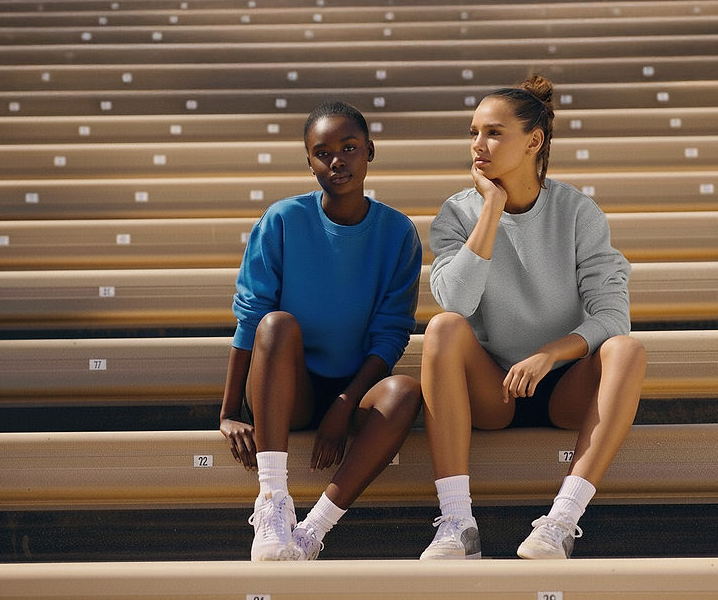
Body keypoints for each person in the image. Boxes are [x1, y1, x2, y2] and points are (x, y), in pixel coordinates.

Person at [418, 75, 646, 560]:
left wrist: (549, 354)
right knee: (442, 328)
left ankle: (560, 522)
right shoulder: (458, 214)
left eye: (494, 133)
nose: (478, 145)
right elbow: (455, 303)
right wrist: (492, 209)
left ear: (534, 141)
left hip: (565, 388)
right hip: (492, 391)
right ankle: (458, 524)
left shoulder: (578, 212)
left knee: (627, 349)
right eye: (473, 132)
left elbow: (614, 317)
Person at [219, 100, 423, 561]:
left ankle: (313, 530)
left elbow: (390, 336)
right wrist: (230, 409)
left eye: (349, 147)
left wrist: (345, 404)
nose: (337, 160)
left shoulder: (398, 233)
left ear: (369, 150)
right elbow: (251, 317)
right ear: (308, 161)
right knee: (277, 323)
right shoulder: (283, 220)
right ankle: (272, 503)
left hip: (353, 389)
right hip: (287, 388)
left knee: (406, 391)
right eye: (323, 151)